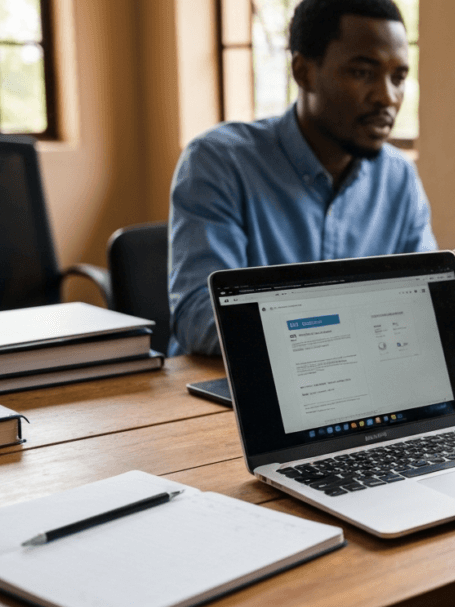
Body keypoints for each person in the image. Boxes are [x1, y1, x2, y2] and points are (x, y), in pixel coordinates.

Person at [168, 0, 435, 356]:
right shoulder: (219, 161)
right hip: (229, 391)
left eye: (398, 77)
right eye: (362, 73)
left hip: (360, 386)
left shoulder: (399, 177)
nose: (387, 96)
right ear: (304, 72)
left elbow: (426, 303)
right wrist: (353, 335)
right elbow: (199, 317)